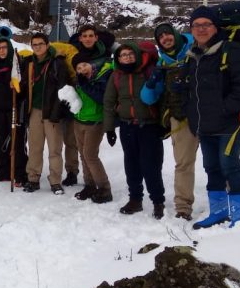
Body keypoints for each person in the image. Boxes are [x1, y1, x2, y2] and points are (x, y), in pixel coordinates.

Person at [182, 6, 240, 229]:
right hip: (204, 124)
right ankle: (219, 212)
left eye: (206, 25)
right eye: (196, 25)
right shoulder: (193, 56)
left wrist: (225, 109)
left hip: (229, 122)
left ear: (215, 27)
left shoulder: (233, 51)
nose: (201, 29)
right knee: (211, 167)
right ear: (191, 29)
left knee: (230, 165)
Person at [141, 23, 198, 220]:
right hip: (180, 118)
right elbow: (148, 98)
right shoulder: (163, 64)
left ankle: (232, 199)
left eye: (167, 33)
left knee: (218, 161)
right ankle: (183, 208)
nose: (165, 38)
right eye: (160, 37)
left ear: (175, 33)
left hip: (208, 115)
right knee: (183, 164)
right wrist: (152, 82)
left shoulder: (196, 49)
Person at [103, 43, 166, 218]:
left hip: (149, 126)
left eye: (130, 54)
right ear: (118, 58)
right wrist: (109, 129)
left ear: (137, 55)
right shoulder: (116, 76)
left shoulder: (148, 72)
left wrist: (163, 123)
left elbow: (162, 98)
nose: (127, 57)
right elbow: (109, 102)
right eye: (123, 55)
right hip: (127, 125)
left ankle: (158, 201)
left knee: (151, 165)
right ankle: (135, 199)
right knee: (131, 165)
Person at [21, 33, 67, 193]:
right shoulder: (28, 63)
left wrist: (57, 112)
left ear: (47, 45)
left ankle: (55, 181)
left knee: (54, 149)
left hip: (52, 111)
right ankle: (33, 178)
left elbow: (63, 88)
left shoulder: (57, 63)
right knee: (35, 147)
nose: (38, 47)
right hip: (34, 111)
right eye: (34, 44)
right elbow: (22, 84)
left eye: (41, 44)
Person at [71, 55, 115, 203]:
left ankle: (104, 188)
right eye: (78, 68)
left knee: (90, 155)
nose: (82, 69)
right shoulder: (78, 80)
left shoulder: (102, 76)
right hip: (79, 120)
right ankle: (89, 185)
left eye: (84, 64)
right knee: (83, 155)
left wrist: (85, 84)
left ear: (91, 64)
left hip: (95, 122)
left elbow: (101, 97)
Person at [0, 38, 27, 186]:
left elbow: (25, 90)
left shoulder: (17, 65)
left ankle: (20, 173)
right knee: (0, 142)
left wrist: (18, 86)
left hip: (14, 110)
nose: (2, 50)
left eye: (4, 47)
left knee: (16, 142)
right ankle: (3, 171)